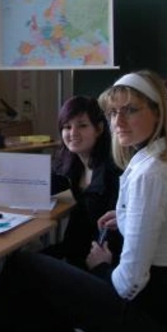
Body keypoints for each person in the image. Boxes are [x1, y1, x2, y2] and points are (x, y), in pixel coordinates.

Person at [0, 70, 167, 332]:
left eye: (130, 110)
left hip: (150, 318)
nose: (119, 121)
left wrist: (102, 266)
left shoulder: (150, 173)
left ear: (158, 113)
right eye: (114, 112)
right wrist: (131, 220)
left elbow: (130, 283)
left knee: (21, 268)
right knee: (32, 291)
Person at [45, 96, 122, 267]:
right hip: (75, 250)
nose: (73, 133)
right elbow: (37, 183)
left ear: (99, 128)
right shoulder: (69, 163)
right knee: (19, 262)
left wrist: (107, 262)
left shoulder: (114, 170)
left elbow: (119, 229)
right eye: (67, 126)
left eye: (82, 125)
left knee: (23, 267)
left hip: (103, 259)